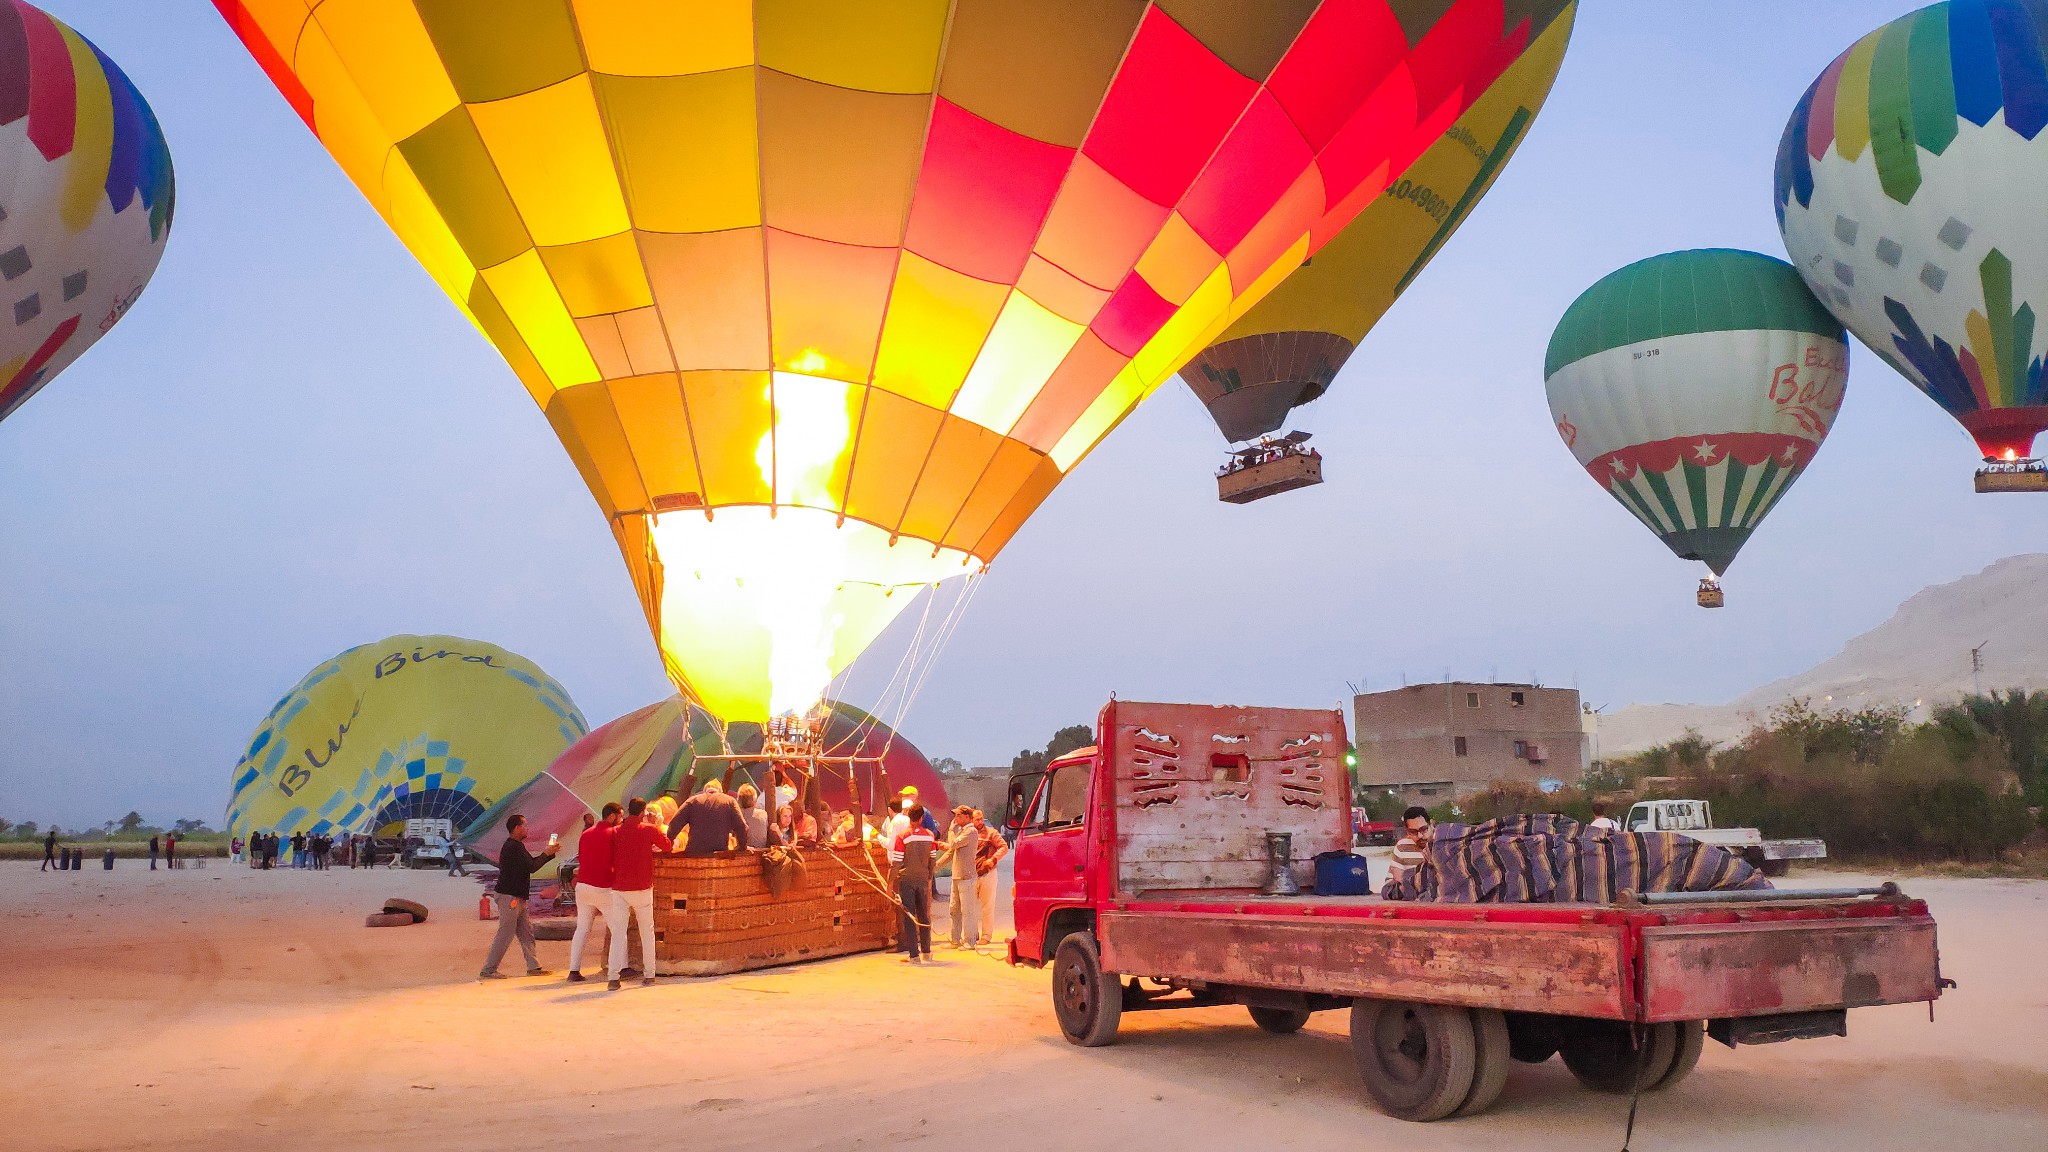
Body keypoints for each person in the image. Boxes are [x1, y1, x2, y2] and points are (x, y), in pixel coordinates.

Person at [478, 814, 557, 981]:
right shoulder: (513, 847)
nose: (527, 828)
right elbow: (532, 867)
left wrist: (547, 855)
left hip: (517, 897)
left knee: (526, 933)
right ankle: (488, 970)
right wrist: (546, 854)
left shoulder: (516, 846)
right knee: (505, 933)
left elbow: (530, 865)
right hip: (510, 897)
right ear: (516, 828)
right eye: (525, 825)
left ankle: (533, 966)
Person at [607, 798, 673, 990]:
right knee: (647, 932)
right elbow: (667, 845)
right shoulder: (648, 830)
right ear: (643, 812)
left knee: (618, 933)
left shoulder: (616, 832)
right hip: (642, 886)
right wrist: (655, 825)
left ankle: (613, 977)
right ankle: (649, 974)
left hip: (619, 887)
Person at [567, 803, 622, 983]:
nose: (621, 820)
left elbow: (581, 857)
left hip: (583, 886)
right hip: (603, 887)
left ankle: (574, 970)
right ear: (612, 816)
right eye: (620, 816)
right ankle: (624, 966)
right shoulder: (614, 834)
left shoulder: (586, 834)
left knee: (582, 928)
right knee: (618, 928)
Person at [893, 806, 938, 963]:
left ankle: (914, 955)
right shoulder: (930, 836)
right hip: (923, 880)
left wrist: (889, 882)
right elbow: (933, 859)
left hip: (906, 880)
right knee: (924, 916)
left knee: (910, 917)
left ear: (908, 817)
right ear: (921, 818)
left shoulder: (903, 836)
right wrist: (929, 877)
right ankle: (927, 952)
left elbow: (897, 862)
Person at [668, 779, 748, 857]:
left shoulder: (692, 801)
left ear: (704, 791)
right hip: (719, 855)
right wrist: (741, 847)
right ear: (720, 791)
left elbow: (674, 824)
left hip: (694, 854)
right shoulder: (730, 801)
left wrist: (669, 843)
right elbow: (742, 827)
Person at [943, 807, 979, 948]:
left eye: (958, 815)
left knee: (967, 911)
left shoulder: (971, 831)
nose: (955, 819)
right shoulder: (961, 832)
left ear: (966, 817)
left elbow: (953, 844)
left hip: (966, 877)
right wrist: (935, 867)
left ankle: (969, 941)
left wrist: (951, 830)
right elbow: (952, 851)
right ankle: (955, 940)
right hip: (957, 876)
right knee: (954, 909)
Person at [971, 809, 1006, 946]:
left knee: (987, 906)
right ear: (971, 820)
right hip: (971, 874)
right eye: (976, 819)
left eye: (981, 819)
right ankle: (972, 934)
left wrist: (993, 860)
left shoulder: (992, 833)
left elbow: (1003, 846)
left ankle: (986, 936)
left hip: (988, 874)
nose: (979, 822)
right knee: (970, 907)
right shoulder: (969, 833)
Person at [1387, 807, 1432, 889]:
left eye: (1423, 829)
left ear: (1431, 824)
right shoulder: (1402, 847)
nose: (1420, 836)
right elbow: (1389, 884)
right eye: (1413, 832)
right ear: (1407, 831)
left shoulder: (1444, 845)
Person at [734, 784, 768, 849]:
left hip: (743, 853)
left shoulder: (737, 815)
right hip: (762, 851)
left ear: (739, 799)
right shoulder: (763, 814)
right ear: (755, 799)